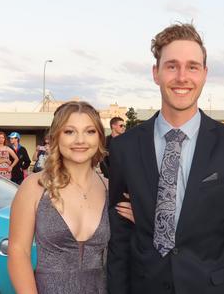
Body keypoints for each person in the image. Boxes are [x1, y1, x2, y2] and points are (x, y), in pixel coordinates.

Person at [107, 23, 224, 294]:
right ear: (156, 73)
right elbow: (119, 241)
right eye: (171, 66)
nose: (182, 77)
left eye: (192, 66)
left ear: (204, 74)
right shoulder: (126, 148)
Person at [8, 101, 134, 293]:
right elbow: (19, 252)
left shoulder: (112, 189)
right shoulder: (34, 187)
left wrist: (142, 223)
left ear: (100, 138)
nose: (80, 140)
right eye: (69, 131)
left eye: (90, 131)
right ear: (56, 136)